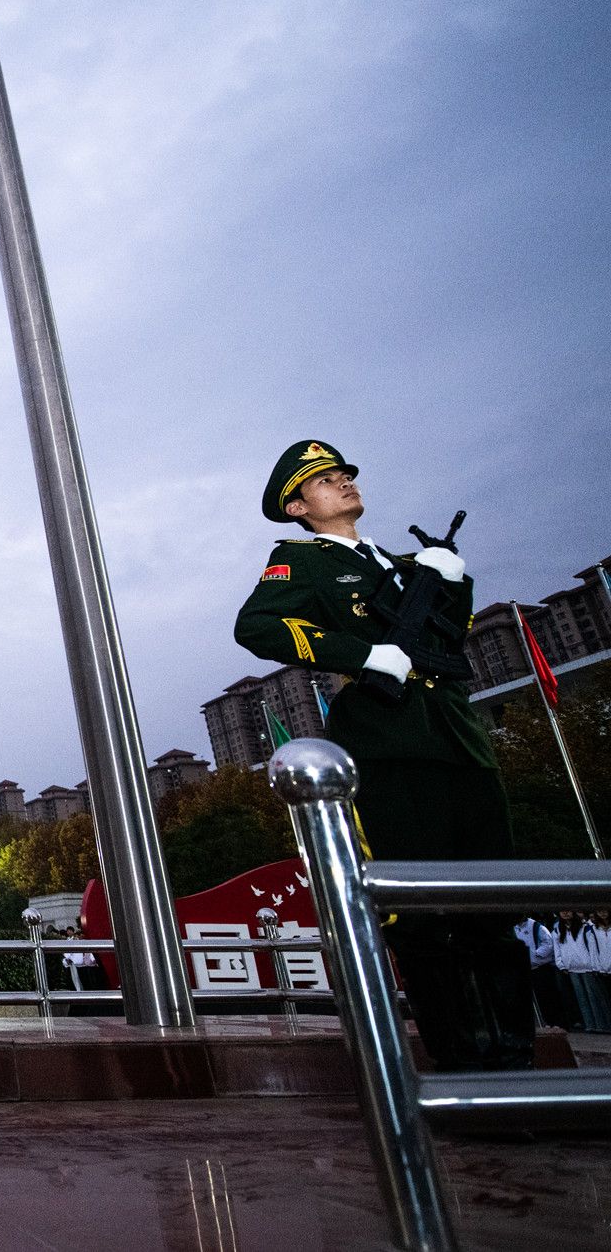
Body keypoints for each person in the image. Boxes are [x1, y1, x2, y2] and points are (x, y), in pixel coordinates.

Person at [235, 441, 533, 1071]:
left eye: (345, 474)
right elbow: (256, 627)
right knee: (420, 910)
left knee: (494, 902)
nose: (344, 482)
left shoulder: (400, 563)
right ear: (298, 508)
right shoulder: (300, 561)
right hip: (386, 736)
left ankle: (516, 1059)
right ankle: (460, 1064)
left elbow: (449, 634)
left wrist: (453, 581)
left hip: (457, 735)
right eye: (325, 480)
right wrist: (363, 655)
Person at [553, 911, 609, 1033]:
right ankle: (590, 1025)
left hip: (588, 968)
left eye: (568, 911)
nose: (565, 913)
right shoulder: (557, 930)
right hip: (571, 969)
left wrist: (595, 966)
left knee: (594, 997)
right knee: (581, 999)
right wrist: (561, 965)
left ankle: (603, 1025)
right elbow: (557, 949)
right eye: (562, 911)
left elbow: (593, 949)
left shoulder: (585, 928)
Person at [515, 914, 570, 1030]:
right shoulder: (515, 928)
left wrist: (537, 954)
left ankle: (560, 1022)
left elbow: (548, 943)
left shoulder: (536, 926)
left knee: (550, 995)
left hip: (542, 967)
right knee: (540, 998)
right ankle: (548, 1021)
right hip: (528, 969)